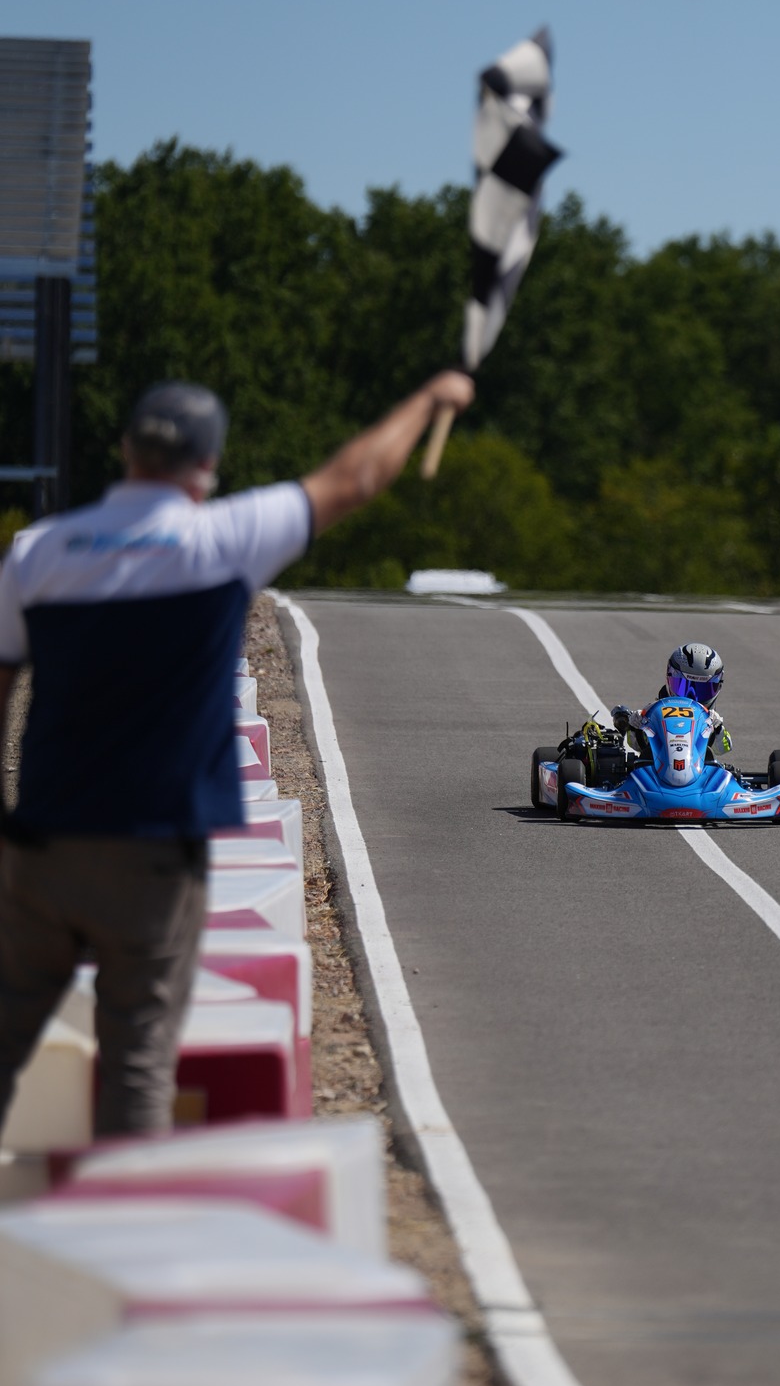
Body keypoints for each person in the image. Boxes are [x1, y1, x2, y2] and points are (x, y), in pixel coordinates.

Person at [0, 369, 474, 1141]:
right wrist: (429, 400)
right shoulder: (221, 539)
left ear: (125, 450)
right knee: (137, 1061)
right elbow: (354, 478)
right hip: (155, 852)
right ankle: (125, 1209)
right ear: (208, 466)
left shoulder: (39, 552)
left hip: (44, 845)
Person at [611, 641, 732, 764]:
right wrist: (635, 726)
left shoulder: (711, 720)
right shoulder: (653, 712)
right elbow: (635, 744)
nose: (691, 697)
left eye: (702, 690)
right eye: (684, 686)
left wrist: (717, 730)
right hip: (657, 768)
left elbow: (724, 747)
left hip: (698, 769)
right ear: (669, 677)